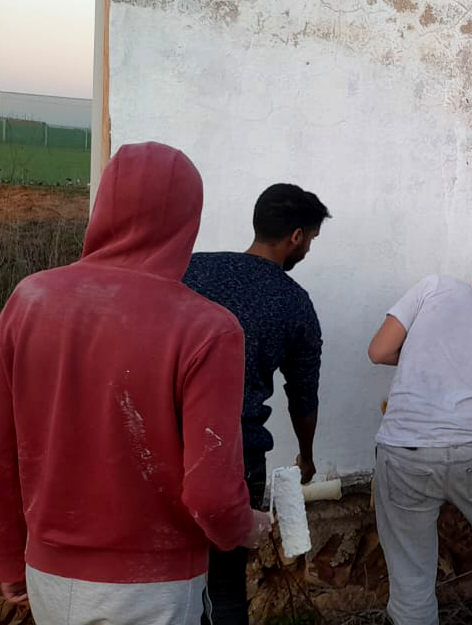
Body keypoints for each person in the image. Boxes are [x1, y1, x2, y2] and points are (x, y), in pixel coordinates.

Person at [0, 142, 270, 624]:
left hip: (48, 577)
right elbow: (213, 496)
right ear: (187, 221)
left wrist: (8, 555)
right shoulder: (208, 328)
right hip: (150, 588)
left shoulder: (29, 300)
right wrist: (246, 527)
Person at [182, 183, 329, 625]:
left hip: (169, 443)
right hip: (236, 456)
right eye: (311, 239)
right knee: (226, 586)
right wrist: (306, 455)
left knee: (167, 575)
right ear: (296, 237)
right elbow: (302, 396)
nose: (308, 249)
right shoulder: (294, 302)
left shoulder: (191, 269)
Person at [367, 250, 472, 625]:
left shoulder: (434, 287)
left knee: (411, 565)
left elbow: (378, 351)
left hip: (405, 447)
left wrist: (419, 355)